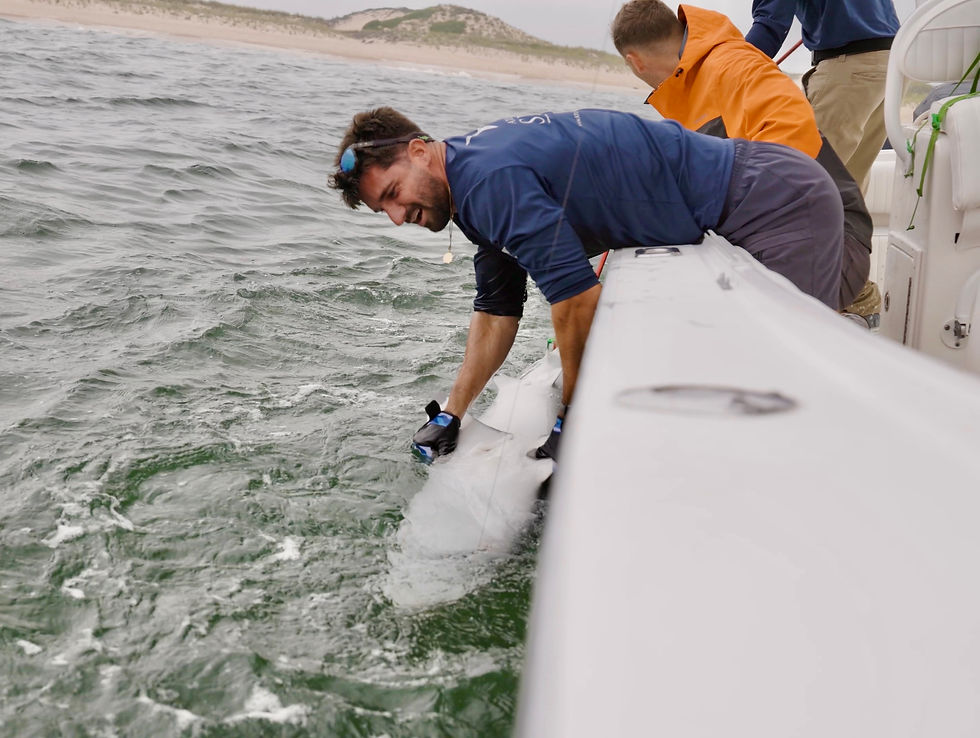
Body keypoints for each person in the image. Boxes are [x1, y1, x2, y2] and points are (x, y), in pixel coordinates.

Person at [329, 107, 844, 460]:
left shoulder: (487, 181)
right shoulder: (467, 187)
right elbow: (495, 311)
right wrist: (452, 414)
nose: (398, 217)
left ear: (419, 150)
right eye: (384, 210)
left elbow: (576, 297)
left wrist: (571, 417)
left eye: (394, 193)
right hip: (749, 202)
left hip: (777, 204)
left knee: (787, 391)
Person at [611, 0, 878, 321]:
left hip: (831, 243)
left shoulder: (735, 66)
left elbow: (795, 157)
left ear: (635, 62)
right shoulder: (695, 83)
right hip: (796, 233)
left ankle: (846, 322)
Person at [745, 0, 900, 194]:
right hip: (893, 63)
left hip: (851, 68)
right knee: (848, 187)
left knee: (799, 182)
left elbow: (770, 25)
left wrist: (732, 70)